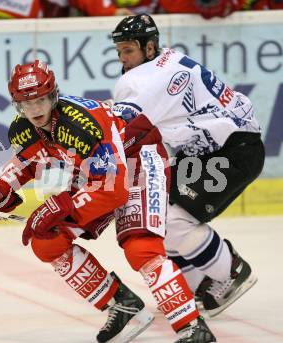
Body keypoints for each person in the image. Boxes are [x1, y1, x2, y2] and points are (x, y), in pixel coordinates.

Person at [0, 60, 216, 342]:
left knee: (141, 247)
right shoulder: (23, 127)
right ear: (17, 105)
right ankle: (122, 305)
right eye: (26, 103)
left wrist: (61, 206)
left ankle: (193, 328)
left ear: (53, 96)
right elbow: (28, 162)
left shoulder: (82, 122)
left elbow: (114, 190)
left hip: (139, 162)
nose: (35, 109)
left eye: (41, 100)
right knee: (48, 242)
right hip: (98, 173)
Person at [110, 13, 264, 320]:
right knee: (158, 216)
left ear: (149, 48)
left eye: (128, 50)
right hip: (217, 150)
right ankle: (199, 282)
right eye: (119, 52)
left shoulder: (140, 80)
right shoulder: (171, 60)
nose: (123, 59)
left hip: (233, 152)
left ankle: (231, 271)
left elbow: (121, 134)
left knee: (175, 221)